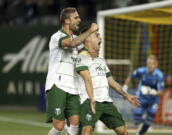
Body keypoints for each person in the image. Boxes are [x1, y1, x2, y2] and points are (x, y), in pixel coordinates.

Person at [75, 28, 140, 135]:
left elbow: (112, 82)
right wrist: (92, 99)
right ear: (87, 39)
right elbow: (87, 79)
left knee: (123, 132)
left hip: (106, 102)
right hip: (89, 101)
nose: (100, 37)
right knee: (87, 130)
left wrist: (127, 96)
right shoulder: (81, 57)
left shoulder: (101, 61)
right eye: (97, 35)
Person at [45, 7, 98, 135]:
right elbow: (72, 43)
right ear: (67, 21)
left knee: (75, 123)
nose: (79, 20)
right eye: (76, 17)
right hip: (57, 84)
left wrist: (93, 46)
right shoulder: (56, 37)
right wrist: (90, 30)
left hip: (72, 87)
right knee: (59, 126)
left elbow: (85, 45)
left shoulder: (76, 38)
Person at [123, 55, 165, 135]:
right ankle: (141, 121)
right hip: (141, 98)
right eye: (148, 63)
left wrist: (151, 92)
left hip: (153, 100)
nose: (149, 66)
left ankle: (139, 133)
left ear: (155, 64)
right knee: (136, 120)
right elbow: (130, 77)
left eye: (151, 64)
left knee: (149, 120)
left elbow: (161, 91)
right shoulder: (141, 71)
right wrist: (124, 89)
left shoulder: (159, 75)